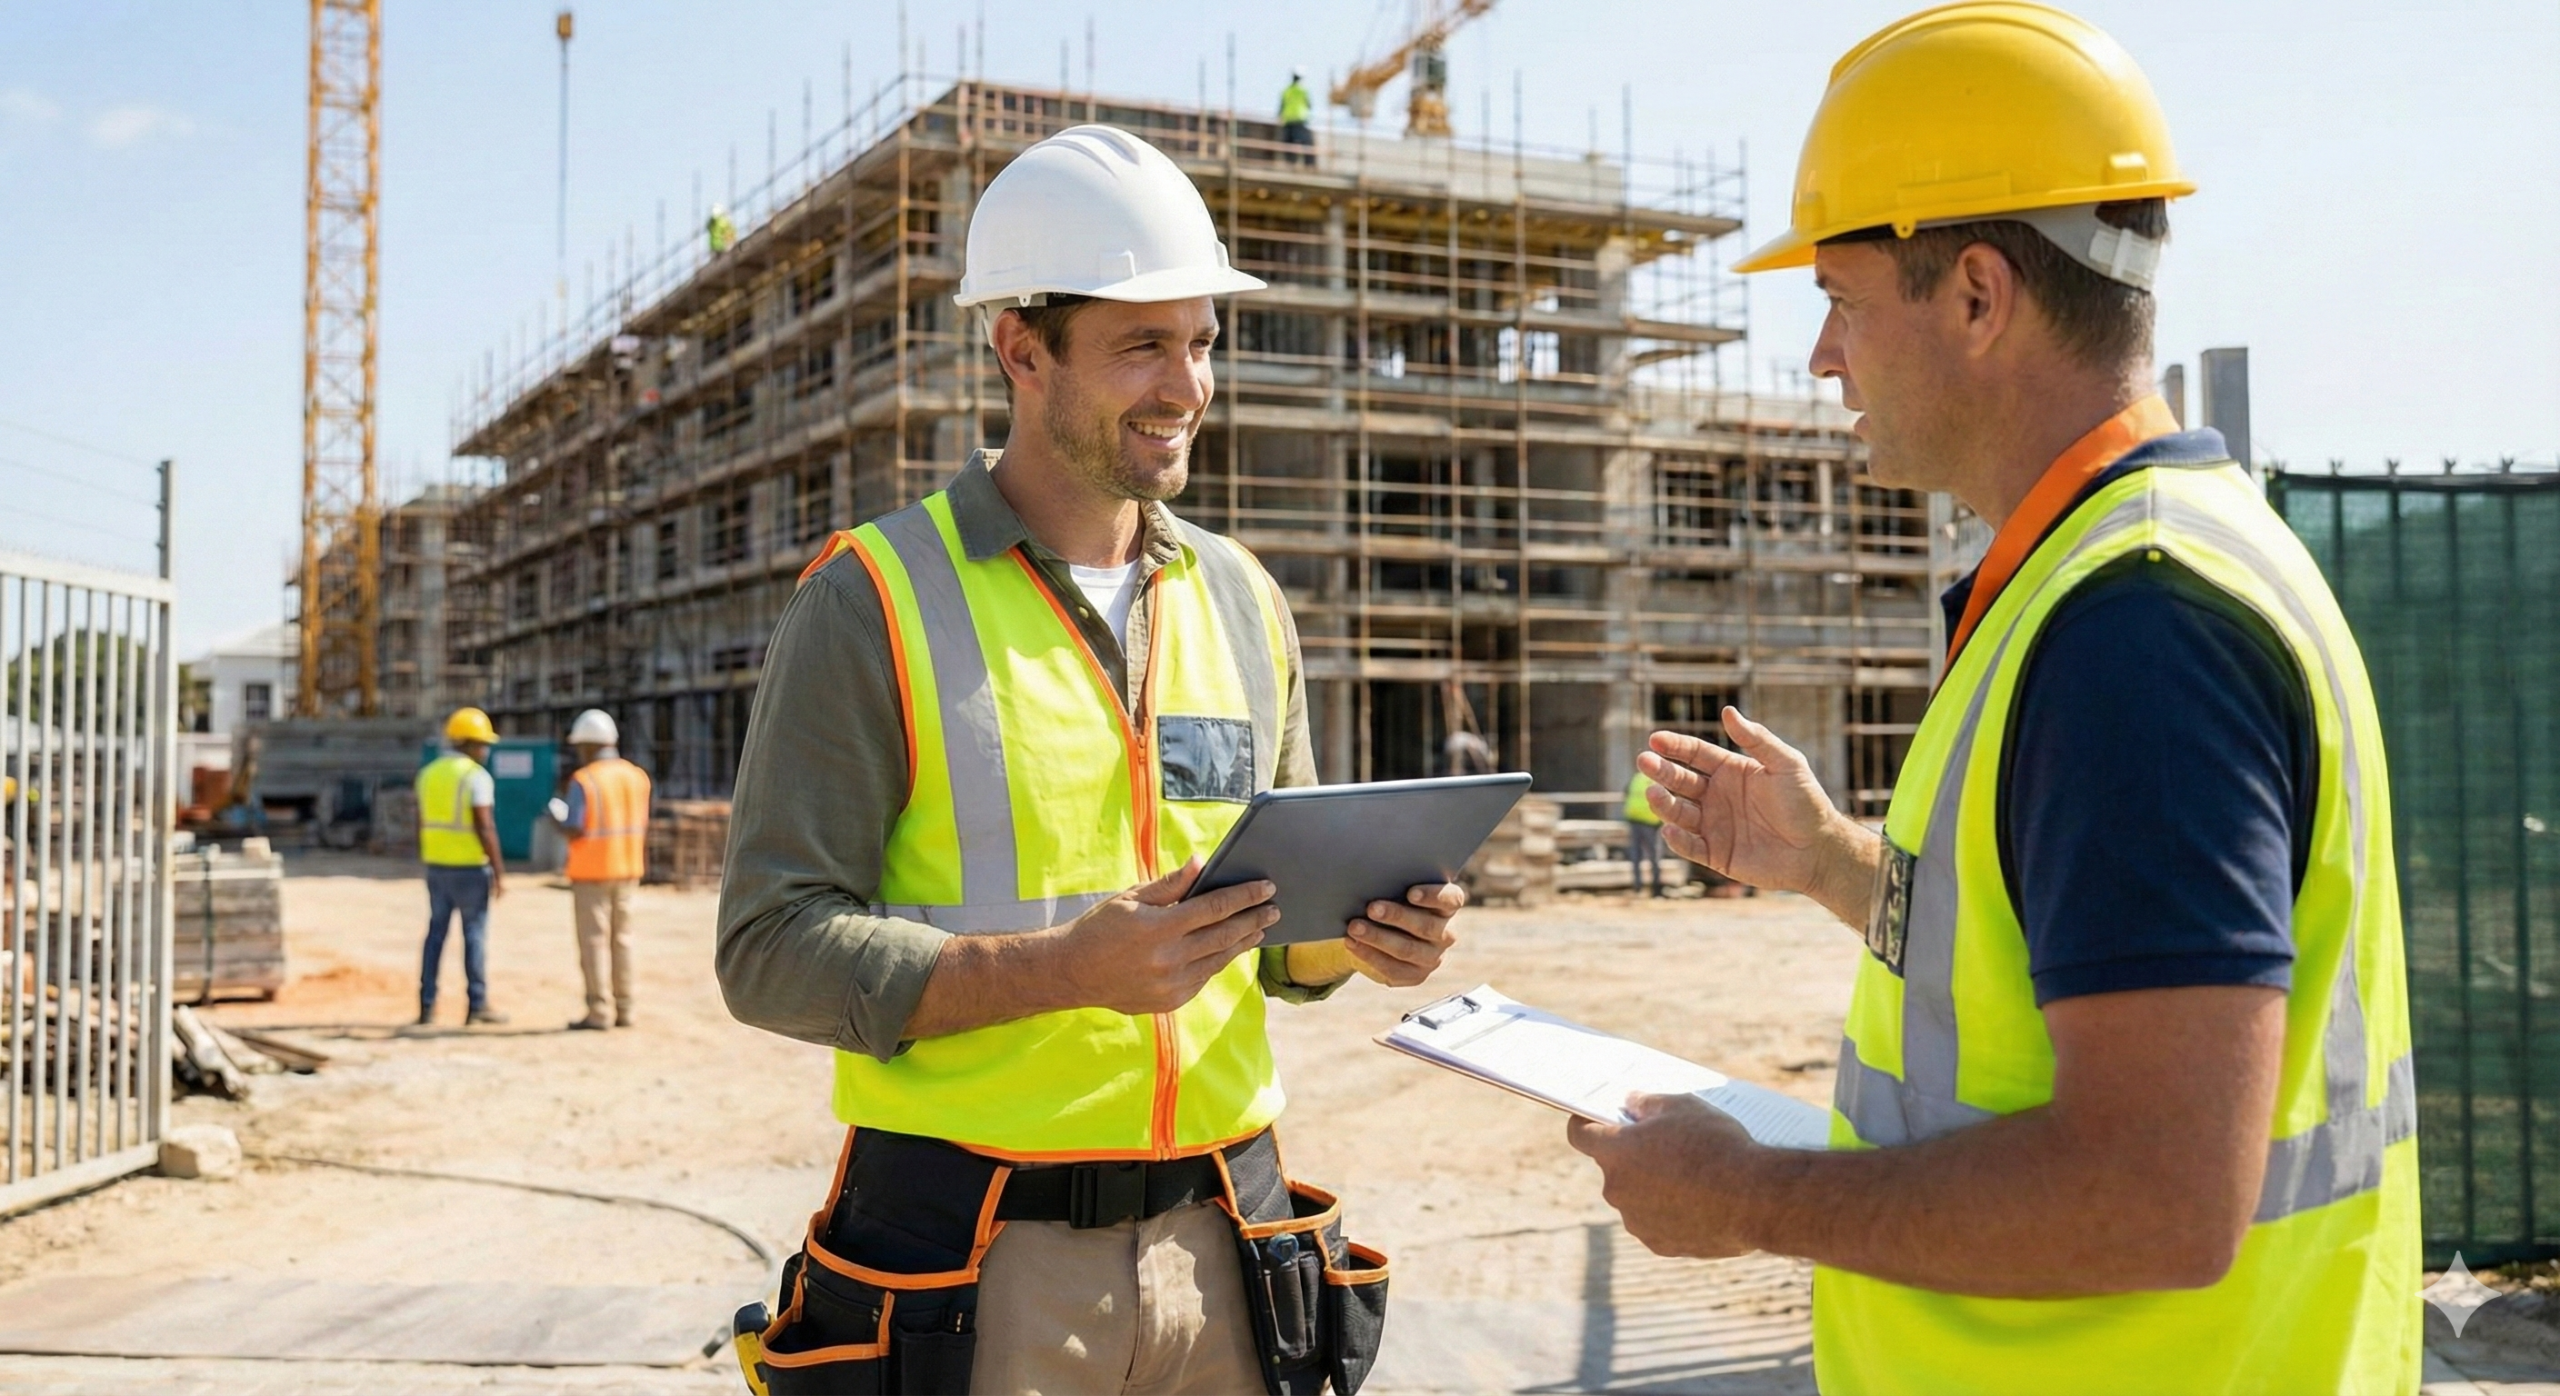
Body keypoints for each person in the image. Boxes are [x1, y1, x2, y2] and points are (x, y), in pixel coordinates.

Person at [1565, 5, 2418, 1392]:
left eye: (1839, 297)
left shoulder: (2136, 634)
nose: (1822, 356)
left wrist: (1745, 1196)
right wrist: (1834, 863)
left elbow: (2157, 1192)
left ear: (1976, 294)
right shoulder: (2148, 565)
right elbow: (2046, 963)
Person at [717, 123, 1464, 1395]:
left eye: (1200, 342)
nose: (1187, 386)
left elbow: (1282, 942)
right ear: (1021, 350)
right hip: (979, 1261)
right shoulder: (874, 596)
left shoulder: (1240, 595)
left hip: (1227, 1239)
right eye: (1140, 345)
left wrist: (1363, 935)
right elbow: (769, 950)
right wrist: (1063, 971)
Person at [553, 708, 650, 1031]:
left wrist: (558, 819)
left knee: (593, 942)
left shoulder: (585, 780)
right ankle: (627, 1008)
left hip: (592, 871)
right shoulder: (637, 776)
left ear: (589, 745)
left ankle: (600, 1011)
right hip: (628, 869)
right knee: (623, 940)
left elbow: (575, 827)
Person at [416, 707, 507, 1028]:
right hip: (469, 869)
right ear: (468, 743)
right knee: (474, 936)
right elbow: (485, 826)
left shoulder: (428, 774)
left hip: (437, 868)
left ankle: (427, 1006)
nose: (486, 750)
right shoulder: (476, 777)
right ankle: (477, 1005)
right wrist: (498, 869)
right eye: (483, 743)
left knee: (435, 936)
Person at [1621, 769, 1664, 898]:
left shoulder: (1635, 779)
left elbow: (1625, 794)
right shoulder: (1657, 782)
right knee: (1654, 855)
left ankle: (1637, 886)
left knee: (1636, 855)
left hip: (1634, 820)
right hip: (1651, 822)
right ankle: (1656, 888)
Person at [1278, 69, 1314, 162]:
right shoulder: (1303, 90)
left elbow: (1281, 106)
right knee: (1305, 143)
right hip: (1300, 120)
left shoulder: (1286, 90)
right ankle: (1308, 164)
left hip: (1288, 120)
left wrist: (1280, 116)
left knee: (1289, 144)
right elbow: (1309, 105)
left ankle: (1290, 163)